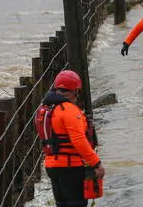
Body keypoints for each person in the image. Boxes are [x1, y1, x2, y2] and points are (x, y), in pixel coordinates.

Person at [38, 70, 105, 207]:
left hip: (52, 166)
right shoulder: (69, 110)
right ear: (75, 91)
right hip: (70, 167)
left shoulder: (46, 108)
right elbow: (79, 140)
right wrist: (96, 163)